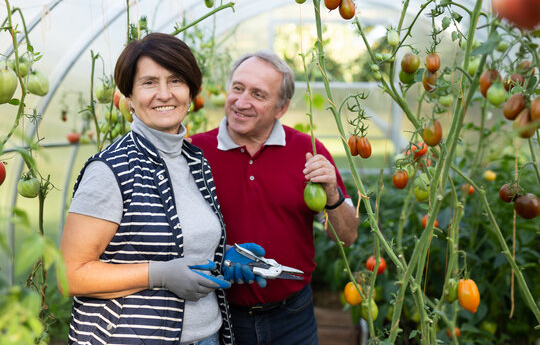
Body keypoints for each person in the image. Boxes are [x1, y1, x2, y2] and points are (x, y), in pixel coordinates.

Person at [60, 32, 241, 345]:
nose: (164, 93)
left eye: (175, 80)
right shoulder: (110, 170)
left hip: (208, 335)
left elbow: (179, 245)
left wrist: (224, 256)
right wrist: (159, 275)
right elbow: (71, 274)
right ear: (128, 96)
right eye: (149, 82)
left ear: (191, 91)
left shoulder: (194, 160)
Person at [190, 50, 359, 344]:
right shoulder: (195, 153)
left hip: (293, 316)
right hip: (218, 316)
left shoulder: (308, 151)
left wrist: (331, 192)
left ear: (281, 108)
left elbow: (346, 236)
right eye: (238, 88)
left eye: (258, 94)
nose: (241, 103)